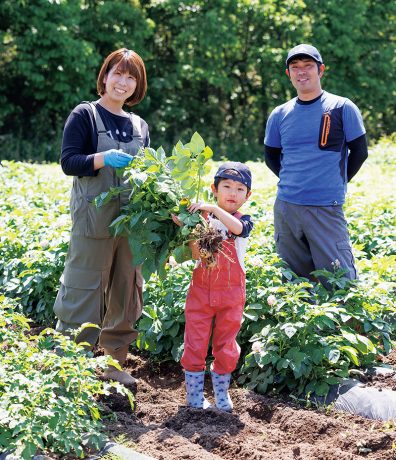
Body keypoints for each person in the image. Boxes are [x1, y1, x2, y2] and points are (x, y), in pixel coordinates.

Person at [53, 48, 150, 385]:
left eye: (130, 76)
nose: (122, 82)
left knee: (126, 290)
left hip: (131, 224)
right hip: (94, 222)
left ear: (137, 84)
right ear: (105, 77)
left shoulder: (139, 125)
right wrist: (102, 158)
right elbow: (69, 162)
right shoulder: (85, 115)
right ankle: (69, 367)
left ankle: (113, 364)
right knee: (84, 287)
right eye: (117, 74)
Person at [264, 44, 368, 284]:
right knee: (294, 283)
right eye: (295, 67)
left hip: (326, 207)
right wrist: (294, 182)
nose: (302, 72)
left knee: (339, 281)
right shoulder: (280, 113)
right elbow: (271, 156)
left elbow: (360, 152)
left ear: (320, 70)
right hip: (287, 208)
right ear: (288, 74)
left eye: (308, 66)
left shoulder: (342, 108)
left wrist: (333, 181)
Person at [175, 162, 253, 411]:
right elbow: (198, 254)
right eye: (227, 186)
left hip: (231, 295)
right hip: (201, 291)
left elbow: (238, 229)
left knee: (226, 344)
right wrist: (186, 226)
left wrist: (210, 208)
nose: (233, 193)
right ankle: (195, 396)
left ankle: (221, 393)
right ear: (214, 189)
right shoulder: (201, 221)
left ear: (247, 195)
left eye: (240, 189)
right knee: (195, 342)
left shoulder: (243, 221)